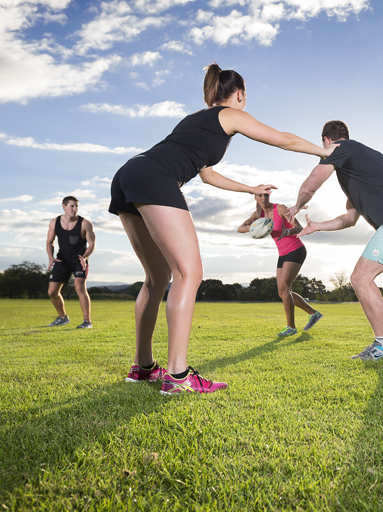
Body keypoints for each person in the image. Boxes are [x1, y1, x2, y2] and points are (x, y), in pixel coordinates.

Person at [109, 63, 336, 395]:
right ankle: (178, 376)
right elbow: (284, 140)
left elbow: (207, 174)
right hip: (156, 177)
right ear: (240, 94)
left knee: (157, 278)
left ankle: (144, 368)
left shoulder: (194, 120)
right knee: (189, 273)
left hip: (130, 173)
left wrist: (250, 189)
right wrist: (325, 153)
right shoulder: (230, 114)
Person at [288, 120, 383, 360]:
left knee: (360, 278)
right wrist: (318, 226)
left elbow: (312, 183)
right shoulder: (356, 167)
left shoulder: (342, 148)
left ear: (326, 142)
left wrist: (296, 207)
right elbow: (350, 218)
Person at [238, 191, 323, 336]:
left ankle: (291, 327)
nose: (263, 198)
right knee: (282, 291)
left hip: (296, 249)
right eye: (260, 195)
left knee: (284, 288)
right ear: (255, 197)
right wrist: (251, 228)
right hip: (282, 253)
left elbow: (299, 228)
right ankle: (313, 313)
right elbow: (240, 228)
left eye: (266, 195)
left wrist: (287, 231)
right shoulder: (258, 214)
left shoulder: (280, 209)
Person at [45, 196, 96, 329]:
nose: (75, 209)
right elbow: (49, 241)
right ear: (64, 206)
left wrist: (84, 257)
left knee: (79, 287)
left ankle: (87, 321)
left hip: (79, 259)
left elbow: (92, 244)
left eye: (76, 206)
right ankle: (62, 317)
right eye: (72, 206)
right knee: (52, 292)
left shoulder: (85, 223)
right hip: (62, 259)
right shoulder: (54, 222)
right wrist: (50, 257)